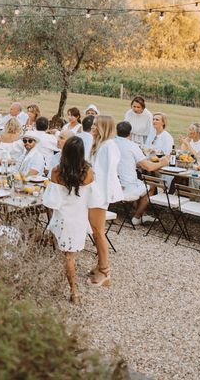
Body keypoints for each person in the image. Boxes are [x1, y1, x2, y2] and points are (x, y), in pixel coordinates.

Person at [43, 135, 95, 304]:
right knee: (70, 256)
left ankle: (72, 290)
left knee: (66, 255)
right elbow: (92, 198)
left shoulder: (56, 172)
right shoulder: (88, 173)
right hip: (79, 218)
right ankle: (74, 292)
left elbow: (50, 202)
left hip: (62, 218)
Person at [88, 115, 123, 288]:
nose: (93, 127)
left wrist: (105, 197)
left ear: (104, 128)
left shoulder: (109, 146)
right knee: (94, 231)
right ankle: (99, 264)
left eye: (96, 125)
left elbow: (107, 175)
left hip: (99, 194)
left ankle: (105, 271)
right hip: (93, 192)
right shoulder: (97, 144)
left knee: (98, 231)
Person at [115, 121, 170, 225]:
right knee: (152, 187)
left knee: (140, 181)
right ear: (130, 133)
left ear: (116, 131)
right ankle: (137, 217)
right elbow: (149, 167)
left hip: (114, 184)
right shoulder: (132, 146)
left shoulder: (111, 143)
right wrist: (162, 163)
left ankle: (141, 213)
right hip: (127, 187)